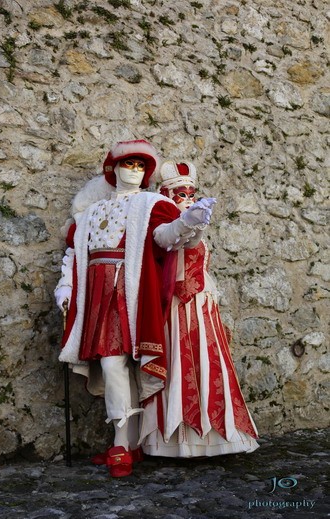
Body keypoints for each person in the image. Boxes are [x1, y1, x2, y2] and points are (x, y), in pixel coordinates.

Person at [54, 140, 216, 477]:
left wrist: (189, 223)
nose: (135, 171)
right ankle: (127, 445)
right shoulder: (92, 212)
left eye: (142, 166)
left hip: (132, 293)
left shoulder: (151, 203)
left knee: (120, 364)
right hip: (96, 295)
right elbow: (74, 254)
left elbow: (164, 238)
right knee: (113, 365)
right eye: (129, 164)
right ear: (113, 168)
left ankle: (121, 446)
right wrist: (65, 287)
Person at [139, 160, 259, 457]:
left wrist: (196, 223)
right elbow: (169, 239)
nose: (188, 197)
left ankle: (217, 435)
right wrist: (189, 221)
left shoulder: (194, 222)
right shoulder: (162, 224)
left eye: (191, 192)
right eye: (181, 194)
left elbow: (195, 244)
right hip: (177, 307)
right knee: (182, 365)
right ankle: (174, 441)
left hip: (204, 305)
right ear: (167, 196)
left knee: (209, 364)